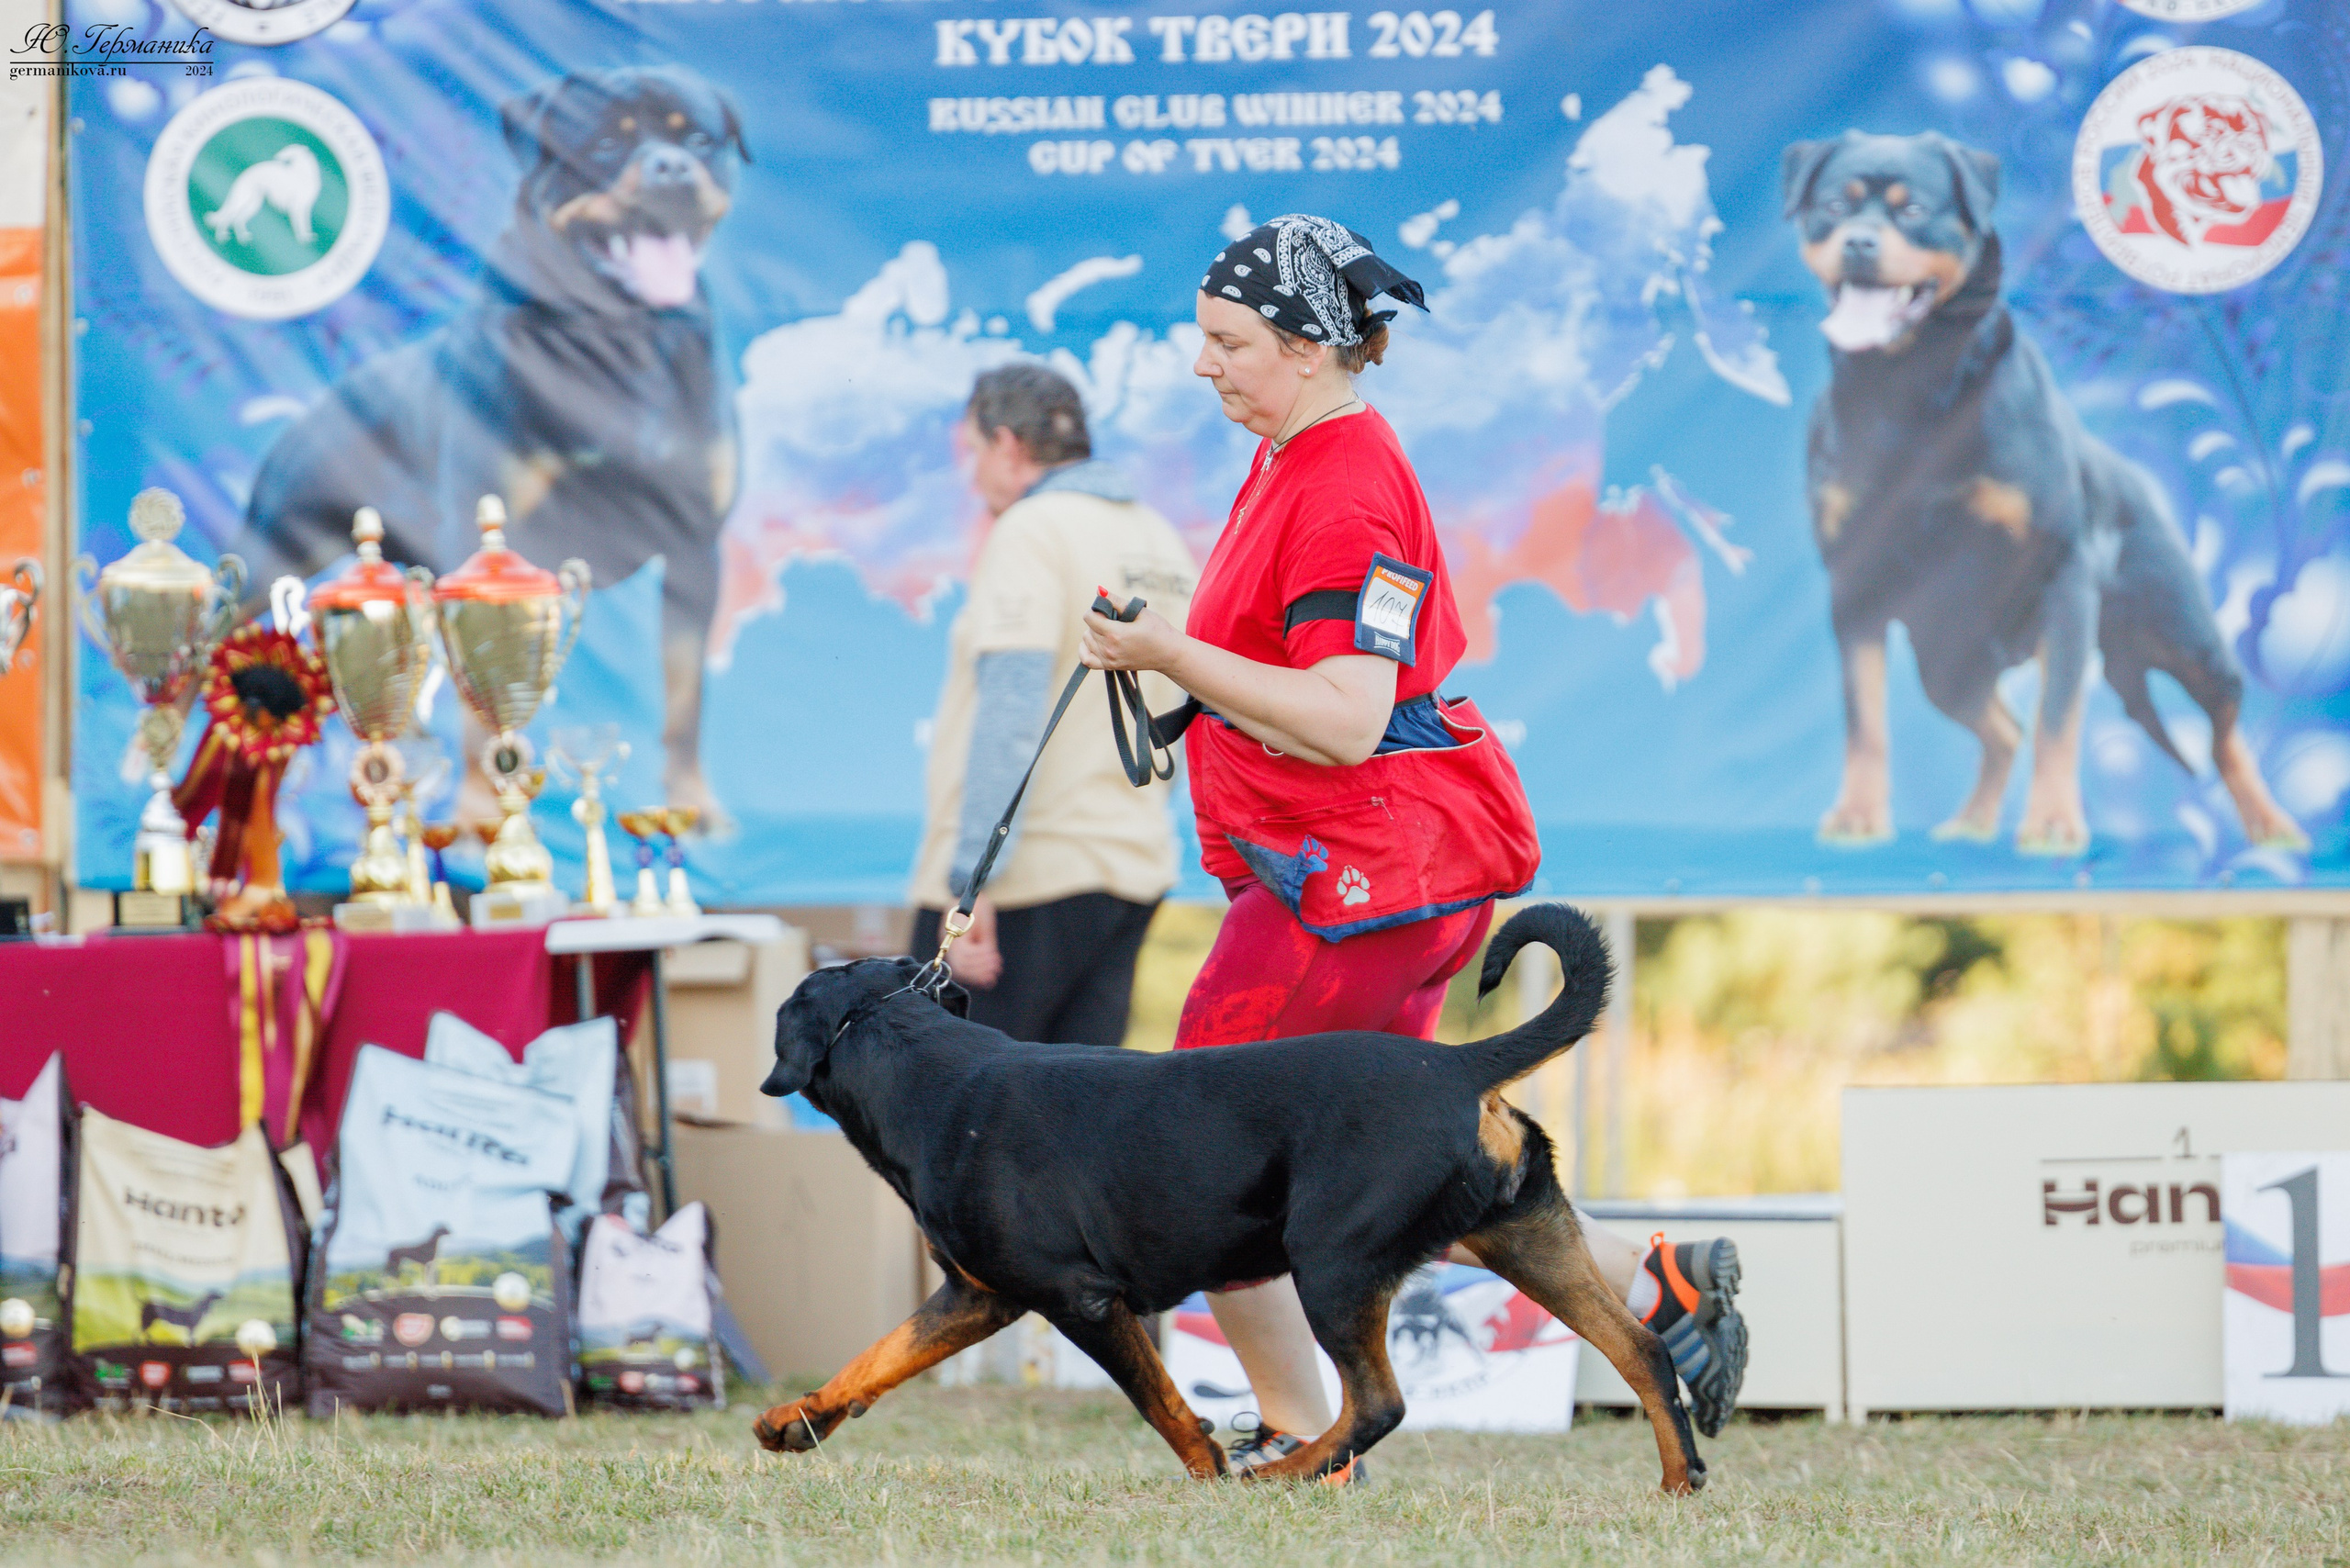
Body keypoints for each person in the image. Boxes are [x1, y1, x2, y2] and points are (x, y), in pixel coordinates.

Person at [1079, 215, 1747, 1482]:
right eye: (1204, 342)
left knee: (1205, 1159)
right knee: (1416, 1156)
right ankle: (1655, 1287)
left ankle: (1301, 1440)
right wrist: (1181, 659)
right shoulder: (1298, 453)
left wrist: (1171, 652)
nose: (1204, 365)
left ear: (1311, 347)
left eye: (1229, 344)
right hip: (1368, 872)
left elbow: (1346, 716)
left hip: (1356, 882)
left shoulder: (1341, 484)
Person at [907, 364, 1197, 1047]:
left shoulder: (1032, 529)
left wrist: (972, 881)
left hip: (1024, 884)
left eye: (974, 453)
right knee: (1078, 1132)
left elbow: (1011, 707)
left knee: (956, 1132)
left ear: (1007, 445)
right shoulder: (1160, 539)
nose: (973, 477)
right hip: (1131, 869)